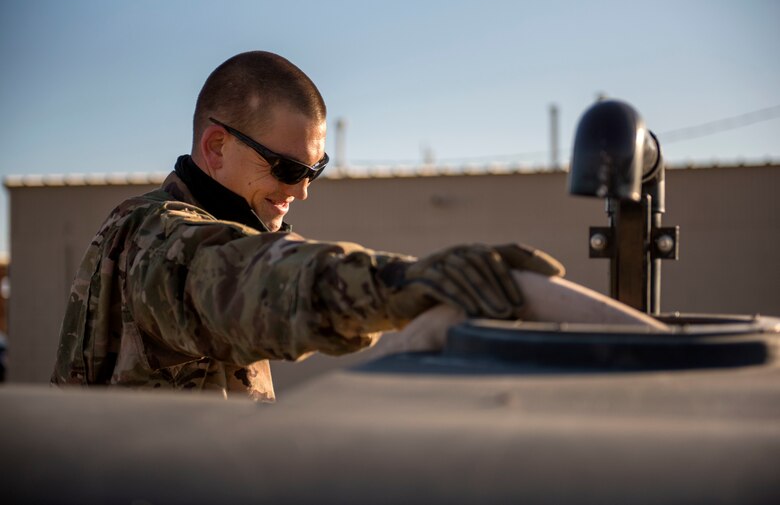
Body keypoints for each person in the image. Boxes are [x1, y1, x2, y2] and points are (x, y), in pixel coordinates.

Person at [51, 51, 564, 401]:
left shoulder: (226, 232)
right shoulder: (150, 236)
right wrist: (405, 285)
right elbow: (249, 282)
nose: (301, 191)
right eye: (287, 168)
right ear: (216, 147)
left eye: (314, 170)